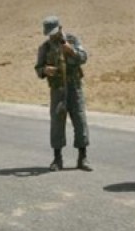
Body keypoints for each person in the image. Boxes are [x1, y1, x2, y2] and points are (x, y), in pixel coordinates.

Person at [35, 16, 92, 171]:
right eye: (49, 33)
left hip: (74, 87)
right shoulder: (45, 47)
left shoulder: (73, 40)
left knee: (80, 121)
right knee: (57, 123)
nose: (52, 36)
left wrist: (71, 51)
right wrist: (45, 70)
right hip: (57, 89)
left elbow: (84, 57)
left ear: (60, 28)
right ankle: (57, 159)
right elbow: (38, 68)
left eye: (54, 32)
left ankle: (83, 157)